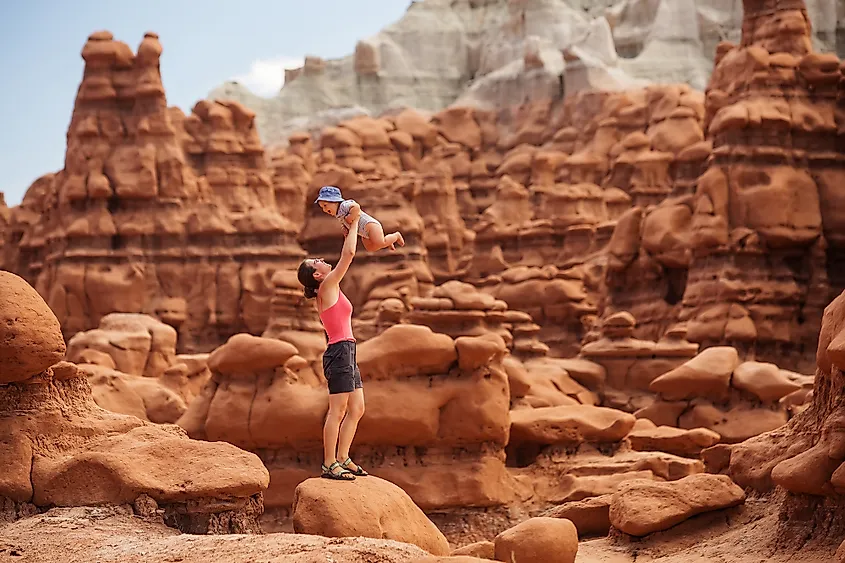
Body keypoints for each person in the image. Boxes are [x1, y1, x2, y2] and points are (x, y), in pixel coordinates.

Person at [297, 204, 369, 482]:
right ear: (317, 276)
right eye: (318, 262)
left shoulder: (331, 286)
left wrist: (351, 230)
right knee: (337, 410)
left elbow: (347, 252)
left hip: (347, 350)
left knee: (357, 409)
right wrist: (354, 226)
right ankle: (329, 463)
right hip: (339, 352)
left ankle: (343, 458)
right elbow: (349, 255)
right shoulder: (327, 287)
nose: (322, 261)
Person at [314, 185, 405, 252]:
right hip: (363, 233)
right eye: (322, 207)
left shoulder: (344, 205)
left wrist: (350, 217)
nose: (324, 210)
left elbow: (356, 207)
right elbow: (345, 222)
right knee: (370, 248)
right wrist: (345, 228)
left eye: (325, 206)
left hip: (370, 226)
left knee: (380, 242)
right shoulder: (338, 214)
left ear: (335, 201)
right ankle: (388, 242)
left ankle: (396, 236)